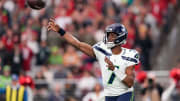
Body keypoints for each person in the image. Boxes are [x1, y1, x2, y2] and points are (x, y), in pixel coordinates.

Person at [47, 19, 139, 101]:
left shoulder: (130, 54)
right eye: (108, 35)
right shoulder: (101, 50)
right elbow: (77, 44)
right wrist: (60, 31)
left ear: (121, 37)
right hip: (109, 94)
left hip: (124, 93)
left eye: (112, 35)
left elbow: (130, 82)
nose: (109, 38)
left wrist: (114, 69)